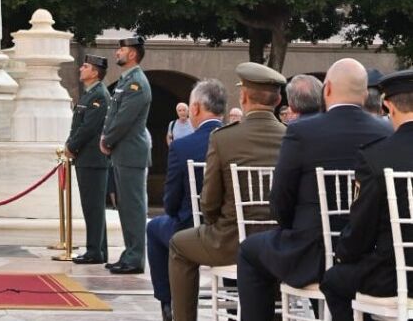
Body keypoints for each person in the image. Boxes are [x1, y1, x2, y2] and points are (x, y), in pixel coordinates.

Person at [237, 59, 391, 321]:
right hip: (367, 255)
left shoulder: (302, 131)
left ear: (326, 89)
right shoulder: (386, 131)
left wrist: (288, 229)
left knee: (249, 252)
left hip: (311, 253)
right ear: (365, 94)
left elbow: (281, 198)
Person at [168, 62, 287, 321]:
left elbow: (209, 203)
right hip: (278, 241)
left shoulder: (223, 138)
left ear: (243, 97)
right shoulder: (290, 137)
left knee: (178, 245)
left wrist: (215, 223)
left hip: (230, 241)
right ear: (278, 100)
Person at [320, 69, 413, 321]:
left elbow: (362, 227)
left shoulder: (376, 157)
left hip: (394, 276)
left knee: (334, 280)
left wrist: (344, 253)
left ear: (388, 106)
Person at [147, 79, 226, 321]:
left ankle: (168, 303)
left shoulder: (182, 146)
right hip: (233, 228)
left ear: (195, 108)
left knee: (154, 228)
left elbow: (171, 203)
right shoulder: (235, 141)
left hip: (192, 228)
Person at [100, 35, 152, 275]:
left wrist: (107, 139)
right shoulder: (126, 80)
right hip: (123, 152)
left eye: (121, 49)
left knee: (133, 206)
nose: (117, 52)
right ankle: (129, 253)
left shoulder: (136, 83)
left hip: (131, 151)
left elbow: (124, 119)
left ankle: (135, 257)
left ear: (132, 54)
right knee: (125, 206)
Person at [65, 54, 111, 265]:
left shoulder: (98, 95)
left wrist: (71, 146)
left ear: (94, 72)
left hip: (93, 159)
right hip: (86, 158)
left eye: (85, 66)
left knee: (93, 207)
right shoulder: (90, 94)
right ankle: (99, 250)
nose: (80, 69)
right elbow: (79, 125)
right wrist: (71, 143)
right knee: (92, 207)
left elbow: (89, 127)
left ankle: (95, 251)